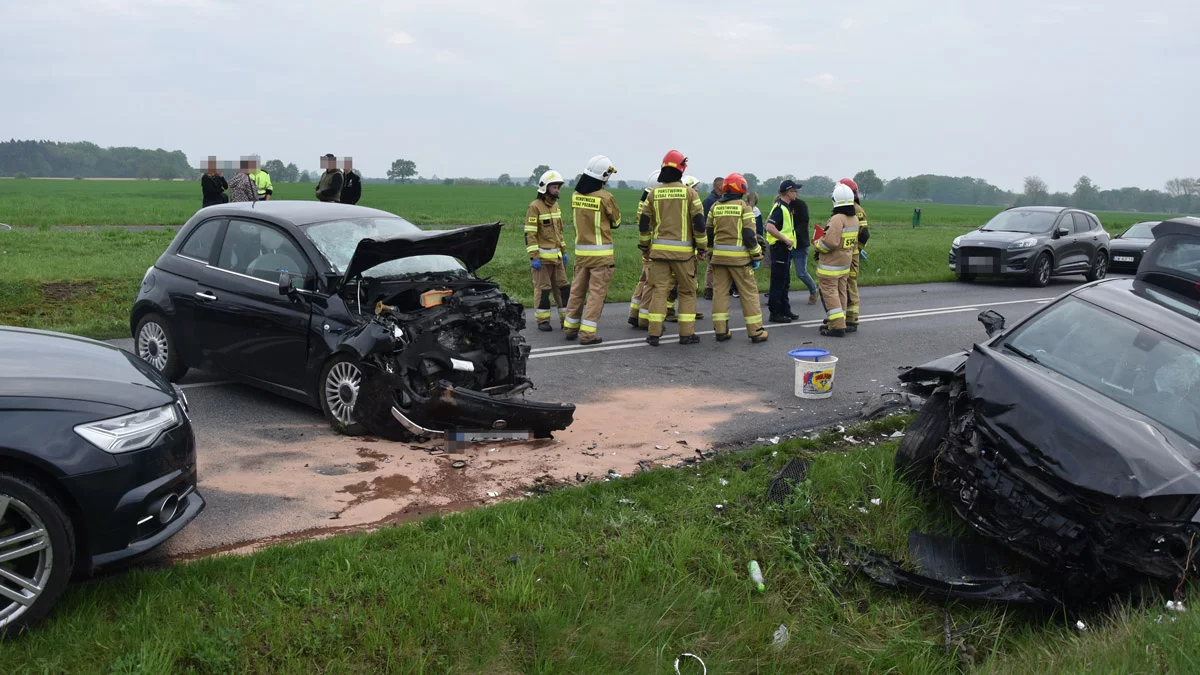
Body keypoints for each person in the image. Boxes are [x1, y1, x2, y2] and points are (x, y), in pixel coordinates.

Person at [638, 150, 706, 347]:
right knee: (687, 292)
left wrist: (644, 246)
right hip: (684, 256)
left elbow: (644, 223)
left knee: (659, 291)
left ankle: (653, 334)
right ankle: (686, 335)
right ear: (682, 169)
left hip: (658, 254)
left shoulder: (654, 195)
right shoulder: (690, 193)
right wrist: (701, 248)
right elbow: (699, 224)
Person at [563, 156, 621, 345]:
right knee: (596, 294)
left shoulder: (575, 195)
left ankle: (570, 328)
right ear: (603, 175)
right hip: (601, 256)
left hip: (581, 254)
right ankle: (587, 334)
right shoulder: (606, 197)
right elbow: (617, 222)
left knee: (577, 291)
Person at [707, 173, 767, 343]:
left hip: (718, 260)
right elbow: (749, 235)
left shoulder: (715, 207)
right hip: (740, 261)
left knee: (720, 294)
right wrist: (757, 254)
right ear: (741, 188)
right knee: (749, 294)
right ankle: (756, 331)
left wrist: (712, 253)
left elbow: (709, 234)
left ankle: (720, 331)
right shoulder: (744, 207)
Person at [764, 179, 816, 322]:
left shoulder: (786, 207)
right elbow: (769, 227)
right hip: (780, 248)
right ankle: (775, 313)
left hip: (786, 249)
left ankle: (785, 310)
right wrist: (786, 240)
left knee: (785, 282)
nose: (796, 193)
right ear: (787, 192)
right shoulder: (780, 208)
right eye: (794, 190)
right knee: (778, 282)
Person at [525, 169, 570, 331]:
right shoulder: (534, 207)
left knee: (564, 288)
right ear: (545, 188)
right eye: (554, 187)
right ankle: (543, 321)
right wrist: (534, 256)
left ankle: (567, 320)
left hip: (557, 258)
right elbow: (530, 233)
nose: (557, 190)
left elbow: (560, 232)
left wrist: (564, 251)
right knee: (543, 289)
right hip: (542, 260)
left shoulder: (556, 206)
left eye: (558, 187)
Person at [814, 184, 859, 337]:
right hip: (845, 263)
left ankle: (836, 326)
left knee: (830, 292)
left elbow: (830, 243)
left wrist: (817, 244)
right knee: (841, 292)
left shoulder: (837, 219)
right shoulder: (854, 219)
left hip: (831, 265)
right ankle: (841, 320)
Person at [628, 170, 661, 330]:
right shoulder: (652, 204)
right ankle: (644, 318)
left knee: (643, 281)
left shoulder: (644, 202)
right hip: (653, 249)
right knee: (651, 283)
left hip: (646, 249)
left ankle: (634, 314)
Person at [838, 178, 870, 332]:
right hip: (848, 253)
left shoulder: (856, 210)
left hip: (851, 254)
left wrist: (857, 249)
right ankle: (842, 316)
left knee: (850, 285)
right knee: (843, 285)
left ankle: (852, 319)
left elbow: (864, 235)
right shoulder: (848, 207)